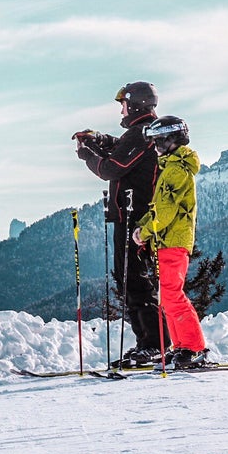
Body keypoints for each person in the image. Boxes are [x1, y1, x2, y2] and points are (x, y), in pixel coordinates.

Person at [72, 81, 163, 367]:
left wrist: (88, 154)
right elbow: (121, 149)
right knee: (128, 279)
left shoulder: (141, 133)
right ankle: (148, 342)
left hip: (135, 219)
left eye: (123, 103)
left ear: (135, 104)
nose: (121, 109)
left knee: (134, 280)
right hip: (131, 216)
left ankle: (154, 344)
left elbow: (111, 168)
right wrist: (99, 138)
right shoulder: (142, 132)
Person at [132, 115, 208, 369]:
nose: (156, 147)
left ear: (172, 139)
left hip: (173, 241)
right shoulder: (171, 168)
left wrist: (145, 231)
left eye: (159, 142)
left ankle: (194, 347)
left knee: (173, 295)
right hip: (166, 241)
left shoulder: (176, 170)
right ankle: (181, 346)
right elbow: (158, 207)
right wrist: (142, 225)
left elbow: (165, 210)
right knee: (167, 297)